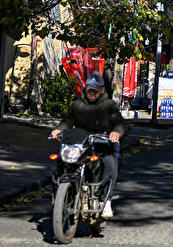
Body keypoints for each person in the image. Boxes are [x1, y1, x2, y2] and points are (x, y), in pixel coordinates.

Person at [50, 73, 125, 218]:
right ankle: (59, 195)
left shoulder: (109, 105)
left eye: (95, 90)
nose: (92, 93)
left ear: (102, 90)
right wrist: (59, 129)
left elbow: (118, 122)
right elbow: (68, 120)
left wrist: (116, 132)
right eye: (90, 89)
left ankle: (106, 200)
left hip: (102, 143)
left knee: (111, 162)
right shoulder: (77, 105)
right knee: (61, 159)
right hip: (81, 144)